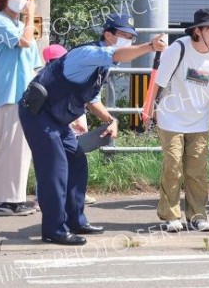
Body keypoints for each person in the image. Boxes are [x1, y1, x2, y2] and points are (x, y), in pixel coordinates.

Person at [19, 14, 167, 245]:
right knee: (54, 170)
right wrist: (149, 46)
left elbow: (92, 98)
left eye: (132, 38)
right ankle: (54, 230)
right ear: (108, 35)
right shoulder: (89, 53)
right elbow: (118, 54)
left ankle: (75, 220)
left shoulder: (100, 67)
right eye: (125, 36)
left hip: (57, 118)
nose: (128, 41)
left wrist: (111, 119)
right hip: (38, 115)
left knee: (77, 161)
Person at [146, 8, 209, 233]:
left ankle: (198, 216)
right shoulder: (178, 48)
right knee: (172, 167)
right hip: (171, 118)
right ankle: (171, 215)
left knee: (197, 170)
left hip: (200, 120)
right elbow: (158, 83)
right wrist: (149, 111)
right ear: (197, 31)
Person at [0, 0, 41, 216]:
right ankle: (3, 201)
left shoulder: (22, 25)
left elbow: (36, 63)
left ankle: (15, 199)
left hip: (25, 96)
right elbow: (24, 43)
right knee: (9, 147)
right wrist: (30, 16)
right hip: (8, 92)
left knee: (21, 149)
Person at [41, 44, 96, 205]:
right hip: (65, 126)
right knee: (62, 164)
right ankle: (67, 196)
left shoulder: (47, 77)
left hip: (64, 126)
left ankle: (62, 195)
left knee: (58, 164)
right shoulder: (59, 77)